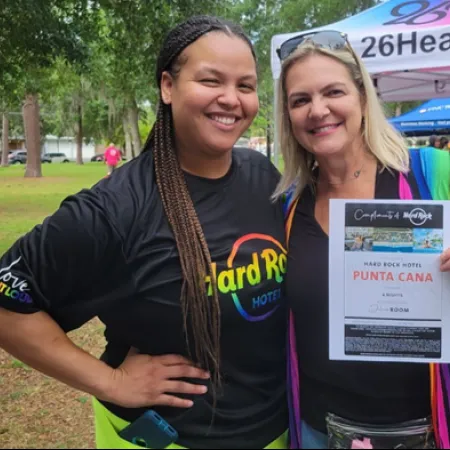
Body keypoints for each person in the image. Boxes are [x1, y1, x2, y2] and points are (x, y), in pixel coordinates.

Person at [0, 16, 288, 449]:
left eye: (245, 86)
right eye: (211, 80)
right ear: (167, 87)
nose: (231, 99)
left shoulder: (263, 175)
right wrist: (112, 382)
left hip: (278, 432)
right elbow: (7, 303)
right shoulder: (114, 209)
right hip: (167, 440)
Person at [273, 30, 450, 449]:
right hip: (319, 430)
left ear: (362, 97)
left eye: (333, 91)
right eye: (300, 100)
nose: (318, 110)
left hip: (426, 428)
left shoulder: (430, 172)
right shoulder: (287, 207)